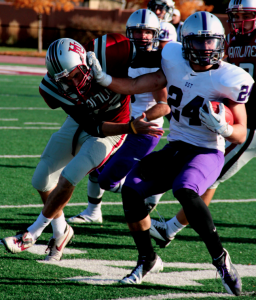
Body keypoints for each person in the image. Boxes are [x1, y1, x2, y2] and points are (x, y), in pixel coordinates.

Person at [87, 11, 254, 296]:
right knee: (132, 189)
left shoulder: (231, 77)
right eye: (200, 43)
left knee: (185, 190)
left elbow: (242, 131)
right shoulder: (173, 58)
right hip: (176, 146)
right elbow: (140, 85)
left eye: (212, 43)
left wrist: (224, 129)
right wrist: (104, 80)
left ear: (221, 43)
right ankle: (147, 259)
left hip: (207, 150)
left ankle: (220, 260)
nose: (206, 49)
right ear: (186, 43)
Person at [1, 34, 164, 261]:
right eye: (65, 81)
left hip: (115, 128)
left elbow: (157, 57)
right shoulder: (51, 89)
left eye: (75, 75)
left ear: (83, 62)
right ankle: (61, 232)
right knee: (41, 180)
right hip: (88, 123)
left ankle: (32, 233)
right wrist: (132, 127)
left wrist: (135, 123)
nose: (73, 84)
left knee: (69, 177)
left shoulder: (108, 51)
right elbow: (92, 125)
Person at [150, 0, 256, 248]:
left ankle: (170, 228)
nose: (239, 21)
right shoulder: (229, 39)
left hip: (249, 124)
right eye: (236, 15)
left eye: (246, 15)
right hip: (238, 114)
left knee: (209, 175)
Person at [67, 9, 170, 224]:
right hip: (121, 124)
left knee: (108, 180)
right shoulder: (123, 57)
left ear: (156, 34)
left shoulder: (157, 62)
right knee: (94, 165)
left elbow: (164, 106)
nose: (142, 37)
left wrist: (140, 119)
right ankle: (93, 212)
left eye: (148, 32)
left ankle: (151, 189)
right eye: (137, 32)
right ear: (127, 33)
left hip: (142, 130)